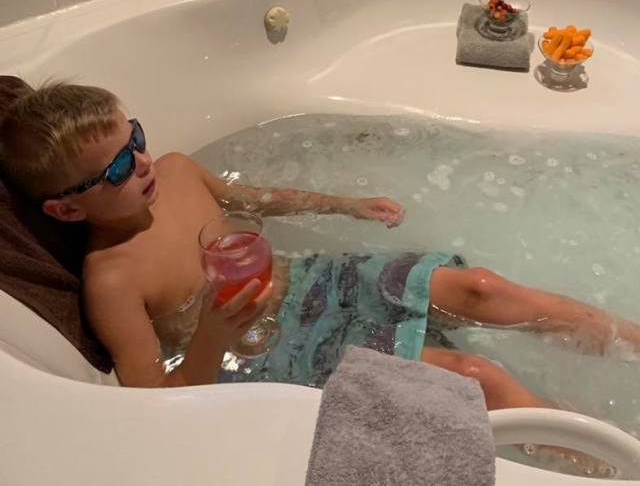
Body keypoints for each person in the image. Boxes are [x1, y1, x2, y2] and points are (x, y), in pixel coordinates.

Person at [1, 83, 638, 409]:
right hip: (261, 350)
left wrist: (342, 204)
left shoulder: (175, 170)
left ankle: (628, 338)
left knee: (481, 288)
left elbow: (252, 198)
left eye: (135, 138)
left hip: (307, 279)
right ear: (66, 209)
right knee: (473, 377)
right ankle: (594, 459)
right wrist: (214, 333)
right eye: (116, 168)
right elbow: (151, 402)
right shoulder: (111, 280)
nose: (140, 162)